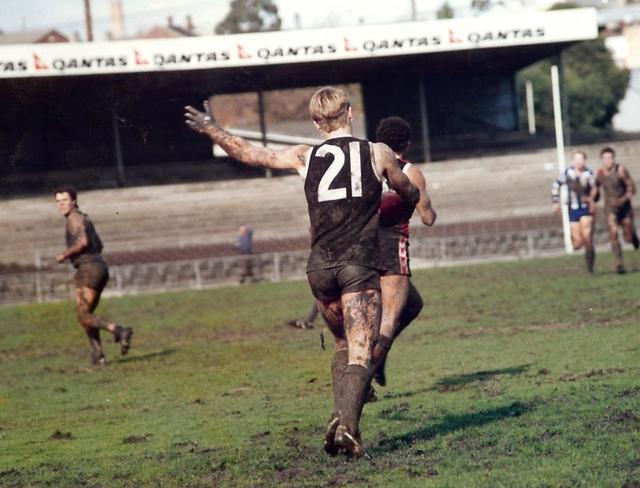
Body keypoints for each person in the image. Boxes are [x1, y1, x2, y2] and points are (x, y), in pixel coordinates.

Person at [185, 86, 420, 458]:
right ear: (350, 114)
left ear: (315, 123)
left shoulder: (303, 155)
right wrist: (404, 203)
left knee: (342, 345)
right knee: (361, 353)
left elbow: (249, 152)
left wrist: (213, 129)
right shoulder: (378, 152)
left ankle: (340, 419)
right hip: (357, 265)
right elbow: (408, 191)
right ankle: (348, 428)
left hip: (320, 268)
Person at [371, 116, 436, 388]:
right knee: (391, 317)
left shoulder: (367, 167)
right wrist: (429, 207)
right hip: (389, 245)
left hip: (359, 243)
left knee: (412, 303)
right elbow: (427, 217)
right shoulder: (409, 170)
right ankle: (370, 370)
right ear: (407, 143)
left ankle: (378, 359)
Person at [54, 189, 133, 365]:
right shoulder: (84, 217)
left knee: (83, 315)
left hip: (88, 269)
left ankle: (119, 331)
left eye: (65, 200)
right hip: (98, 267)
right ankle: (98, 354)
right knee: (87, 315)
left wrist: (64, 255)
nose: (61, 204)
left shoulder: (74, 217)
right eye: (58, 201)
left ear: (74, 201)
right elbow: (100, 245)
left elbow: (83, 242)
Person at [591, 146, 640, 274]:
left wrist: (623, 199)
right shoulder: (600, 173)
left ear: (613, 158)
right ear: (602, 159)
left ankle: (633, 237)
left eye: (610, 158)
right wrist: (593, 197)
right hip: (610, 209)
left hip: (624, 208)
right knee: (613, 233)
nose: (608, 160)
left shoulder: (621, 170)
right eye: (605, 158)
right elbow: (595, 189)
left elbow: (632, 189)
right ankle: (619, 263)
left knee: (628, 238)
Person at [551, 150, 597, 273]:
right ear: (573, 161)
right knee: (577, 243)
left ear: (584, 160)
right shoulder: (567, 173)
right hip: (573, 209)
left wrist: (591, 199)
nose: (579, 162)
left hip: (585, 208)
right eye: (576, 159)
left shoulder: (589, 173)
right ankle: (582, 246)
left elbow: (595, 189)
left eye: (581, 159)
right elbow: (556, 184)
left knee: (587, 237)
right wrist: (555, 202)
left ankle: (590, 266)